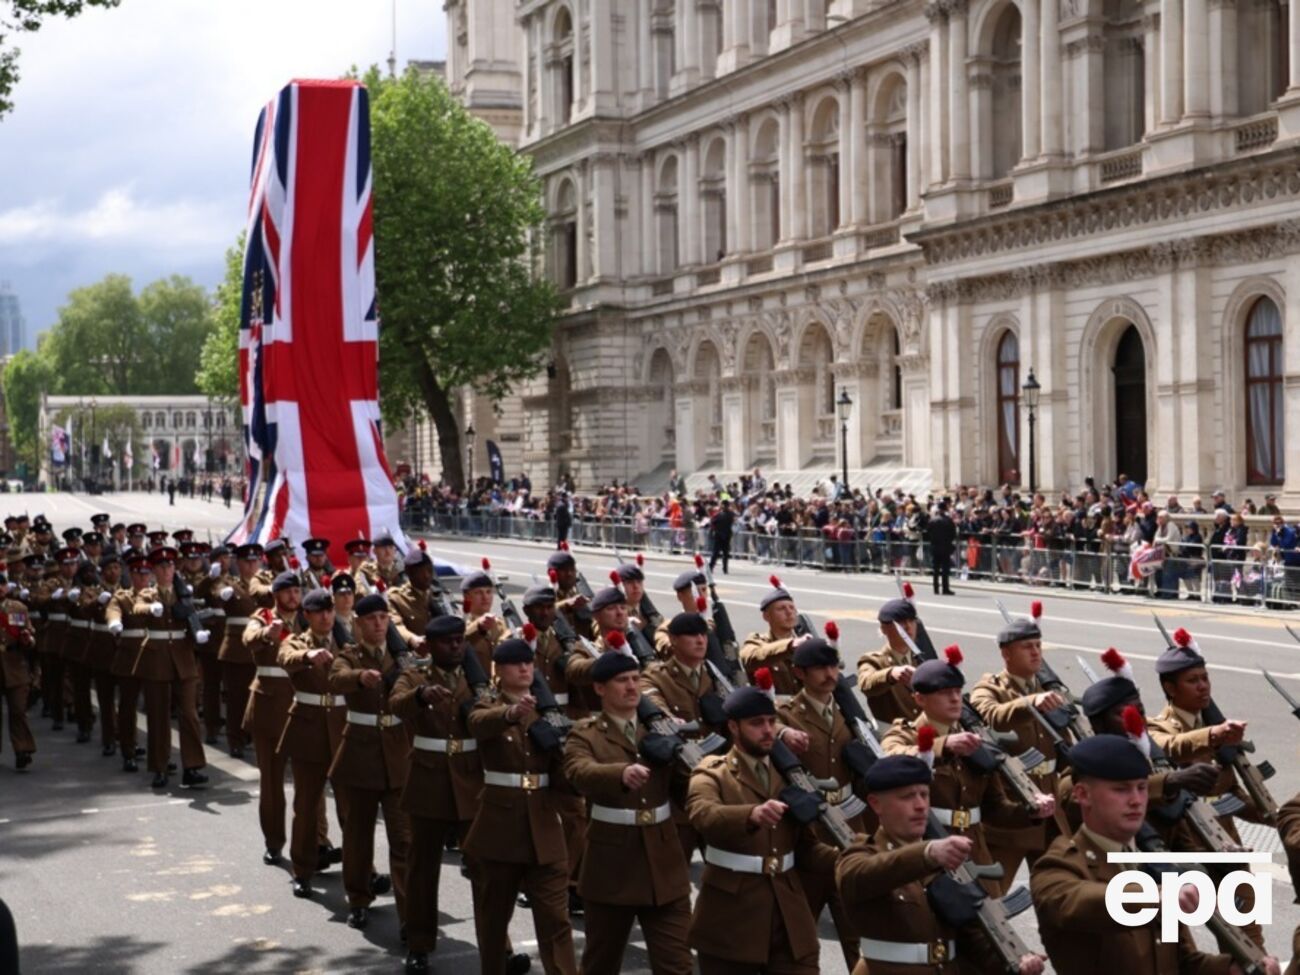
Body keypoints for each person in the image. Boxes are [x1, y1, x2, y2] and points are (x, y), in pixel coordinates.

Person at [1030, 735, 1268, 974]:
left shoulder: (1149, 863)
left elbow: (1181, 963)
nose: (1136, 800)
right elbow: (1077, 901)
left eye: (1142, 788)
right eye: (1121, 790)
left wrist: (1230, 969)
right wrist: (1155, 896)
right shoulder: (1057, 868)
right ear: (1082, 794)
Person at [392, 615, 529, 975]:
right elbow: (396, 704)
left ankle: (499, 948)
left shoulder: (479, 678)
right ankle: (419, 942)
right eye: (447, 642)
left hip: (471, 781)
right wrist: (421, 696)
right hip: (429, 780)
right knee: (423, 869)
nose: (455, 646)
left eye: (459, 640)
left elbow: (496, 713)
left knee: (486, 871)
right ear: (432, 645)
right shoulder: (416, 676)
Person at [836, 755, 1046, 975]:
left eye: (924, 795)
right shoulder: (861, 855)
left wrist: (1015, 962)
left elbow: (972, 937)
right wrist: (927, 854)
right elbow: (858, 877)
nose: (920, 805)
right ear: (876, 804)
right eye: (907, 797)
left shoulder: (946, 862)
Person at [686, 685, 837, 974]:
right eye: (756, 724)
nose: (767, 730)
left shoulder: (791, 776)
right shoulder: (712, 773)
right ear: (733, 727)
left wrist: (847, 858)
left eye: (771, 721)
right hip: (732, 916)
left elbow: (806, 847)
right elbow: (703, 814)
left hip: (789, 915)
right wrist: (751, 815)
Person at [881, 646, 1056, 895]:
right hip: (928, 850)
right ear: (920, 699)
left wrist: (1031, 812)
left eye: (957, 692)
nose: (955, 699)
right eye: (944, 693)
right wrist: (941, 746)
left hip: (975, 853)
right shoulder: (905, 735)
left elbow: (995, 809)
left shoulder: (975, 744)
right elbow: (890, 757)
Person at [562, 651, 693, 974]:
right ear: (600, 689)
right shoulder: (586, 733)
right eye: (622, 681)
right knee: (601, 963)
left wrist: (688, 758)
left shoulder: (659, 730)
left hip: (663, 864)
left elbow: (686, 790)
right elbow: (578, 772)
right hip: (612, 867)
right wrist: (619, 774)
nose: (632, 686)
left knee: (677, 964)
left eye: (635, 679)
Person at [463, 636, 578, 975]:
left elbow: (564, 769)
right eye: (517, 664)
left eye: (529, 662)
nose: (525, 668)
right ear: (499, 670)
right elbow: (478, 724)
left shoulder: (547, 711)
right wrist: (511, 713)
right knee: (494, 918)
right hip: (500, 828)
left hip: (543, 826)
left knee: (556, 919)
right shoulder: (486, 703)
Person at [777, 637, 865, 968]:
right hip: (808, 834)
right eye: (820, 669)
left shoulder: (849, 713)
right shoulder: (784, 716)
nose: (830, 675)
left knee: (858, 931)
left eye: (833, 667)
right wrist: (782, 735)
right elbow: (756, 734)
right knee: (799, 934)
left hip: (849, 831)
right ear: (799, 673)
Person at [328, 593, 411, 931]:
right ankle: (358, 898)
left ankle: (410, 914)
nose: (379, 623)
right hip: (360, 758)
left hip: (397, 758)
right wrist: (360, 678)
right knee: (358, 837)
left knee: (404, 840)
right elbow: (335, 678)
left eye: (383, 617)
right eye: (371, 618)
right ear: (359, 624)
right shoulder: (349, 655)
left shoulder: (403, 658)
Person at [969, 616, 1070, 892]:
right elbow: (990, 715)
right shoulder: (989, 688)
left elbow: (1067, 744)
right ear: (1006, 653)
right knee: (992, 898)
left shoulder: (1050, 689)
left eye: (1038, 645)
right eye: (1027, 646)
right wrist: (1029, 703)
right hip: (1013, 810)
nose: (1036, 651)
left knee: (1061, 897)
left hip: (1051, 814)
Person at [277, 587, 349, 900]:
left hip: (344, 730)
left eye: (330, 610)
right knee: (305, 806)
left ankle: (362, 873)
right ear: (307, 616)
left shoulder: (347, 643)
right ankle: (302, 870)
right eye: (319, 611)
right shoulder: (297, 641)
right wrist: (307, 656)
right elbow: (285, 656)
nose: (326, 616)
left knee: (352, 808)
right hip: (309, 731)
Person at [639, 611, 726, 863]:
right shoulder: (657, 675)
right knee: (675, 865)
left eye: (703, 634)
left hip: (716, 781)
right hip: (679, 784)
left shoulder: (715, 675)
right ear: (674, 640)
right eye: (692, 635)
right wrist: (666, 716)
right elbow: (650, 696)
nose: (700, 640)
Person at [242, 570, 311, 867]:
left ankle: (312, 843)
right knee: (271, 783)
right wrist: (265, 634)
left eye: (297, 591)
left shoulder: (309, 618)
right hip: (269, 709)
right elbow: (248, 637)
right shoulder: (263, 616)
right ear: (276, 594)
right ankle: (274, 841)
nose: (293, 596)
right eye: (287, 592)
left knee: (308, 785)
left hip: (303, 709)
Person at [131, 545, 210, 790]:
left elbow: (193, 616)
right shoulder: (148, 594)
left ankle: (192, 766)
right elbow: (137, 607)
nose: (167, 570)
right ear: (154, 571)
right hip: (157, 660)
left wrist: (199, 632)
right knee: (158, 716)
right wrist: (150, 609)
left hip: (183, 660)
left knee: (189, 714)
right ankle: (160, 767)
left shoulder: (183, 592)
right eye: (162, 567)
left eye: (171, 566)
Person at [215, 543, 270, 760]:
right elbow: (216, 593)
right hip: (237, 650)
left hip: (260, 649)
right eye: (247, 561)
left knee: (259, 699)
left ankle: (253, 736)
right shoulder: (230, 584)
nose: (251, 565)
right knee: (236, 698)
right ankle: (235, 739)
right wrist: (223, 594)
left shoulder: (265, 585)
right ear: (238, 563)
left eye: (255, 561)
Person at [855, 597, 922, 724]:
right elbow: (865, 683)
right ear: (884, 629)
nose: (908, 627)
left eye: (912, 620)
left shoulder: (921, 659)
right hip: (894, 736)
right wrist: (890, 674)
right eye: (901, 623)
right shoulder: (873, 660)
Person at [739, 578, 809, 697]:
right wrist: (790, 646)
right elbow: (751, 658)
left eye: (792, 608)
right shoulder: (757, 641)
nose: (789, 612)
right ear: (766, 616)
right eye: (781, 608)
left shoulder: (806, 643)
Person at [0, 578, 36, 770]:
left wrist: (27, 639)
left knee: (18, 710)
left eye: (1, 584)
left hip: (14, 664)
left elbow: (29, 636)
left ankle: (22, 749)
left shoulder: (17, 608)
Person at [927, 501, 957, 595]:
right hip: (945, 546)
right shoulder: (948, 520)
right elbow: (953, 534)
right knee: (945, 569)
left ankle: (935, 588)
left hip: (935, 546)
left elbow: (928, 533)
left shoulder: (932, 520)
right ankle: (945, 588)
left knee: (935, 569)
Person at [709, 500, 734, 575]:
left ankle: (711, 567)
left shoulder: (720, 514)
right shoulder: (730, 514)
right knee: (724, 553)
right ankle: (724, 569)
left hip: (720, 535)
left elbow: (713, 522)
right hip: (726, 535)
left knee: (716, 553)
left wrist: (714, 529)